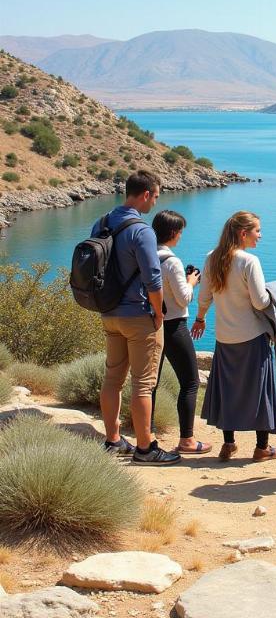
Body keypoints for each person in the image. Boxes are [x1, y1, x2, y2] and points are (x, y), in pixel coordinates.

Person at [93, 170, 181, 465]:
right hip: (137, 316)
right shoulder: (143, 231)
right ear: (145, 194)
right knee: (143, 383)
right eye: (155, 196)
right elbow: (153, 278)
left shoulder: (102, 222)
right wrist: (158, 312)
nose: (155, 202)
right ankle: (145, 448)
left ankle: (113, 440)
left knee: (112, 379)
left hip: (109, 313)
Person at [192, 211, 276, 461]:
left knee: (228, 389)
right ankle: (262, 447)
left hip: (224, 337)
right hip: (252, 336)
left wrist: (200, 318)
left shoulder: (212, 258)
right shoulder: (249, 261)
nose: (260, 236)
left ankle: (228, 444)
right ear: (243, 233)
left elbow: (204, 297)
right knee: (260, 391)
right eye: (257, 231)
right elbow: (261, 302)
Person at [151, 209, 211, 454]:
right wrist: (192, 281)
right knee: (190, 382)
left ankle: (147, 434)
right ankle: (186, 440)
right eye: (181, 232)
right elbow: (184, 299)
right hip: (174, 325)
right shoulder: (172, 261)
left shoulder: (145, 255)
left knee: (149, 382)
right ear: (174, 233)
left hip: (150, 324)